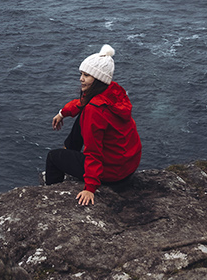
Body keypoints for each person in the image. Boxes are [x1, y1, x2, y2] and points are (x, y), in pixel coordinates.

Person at [44, 44, 142, 205]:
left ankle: (52, 199)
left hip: (111, 173)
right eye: (81, 74)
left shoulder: (94, 110)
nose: (81, 78)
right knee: (82, 115)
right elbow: (82, 104)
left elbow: (93, 151)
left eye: (87, 75)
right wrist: (63, 113)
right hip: (128, 165)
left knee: (53, 157)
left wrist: (90, 187)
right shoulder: (114, 91)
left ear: (97, 79)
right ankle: (70, 151)